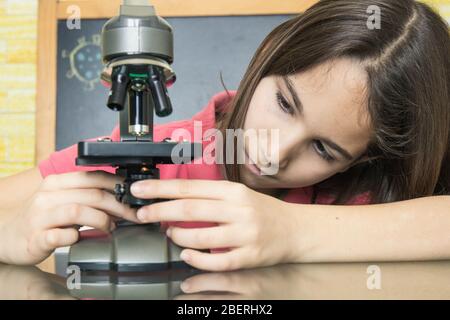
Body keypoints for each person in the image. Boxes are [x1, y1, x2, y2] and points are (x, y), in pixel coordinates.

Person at [0, 0, 448, 271]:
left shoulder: (360, 193)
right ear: (269, 53)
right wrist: (12, 231)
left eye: (323, 148)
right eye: (285, 103)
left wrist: (291, 231)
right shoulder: (175, 148)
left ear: (362, 160)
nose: (274, 152)